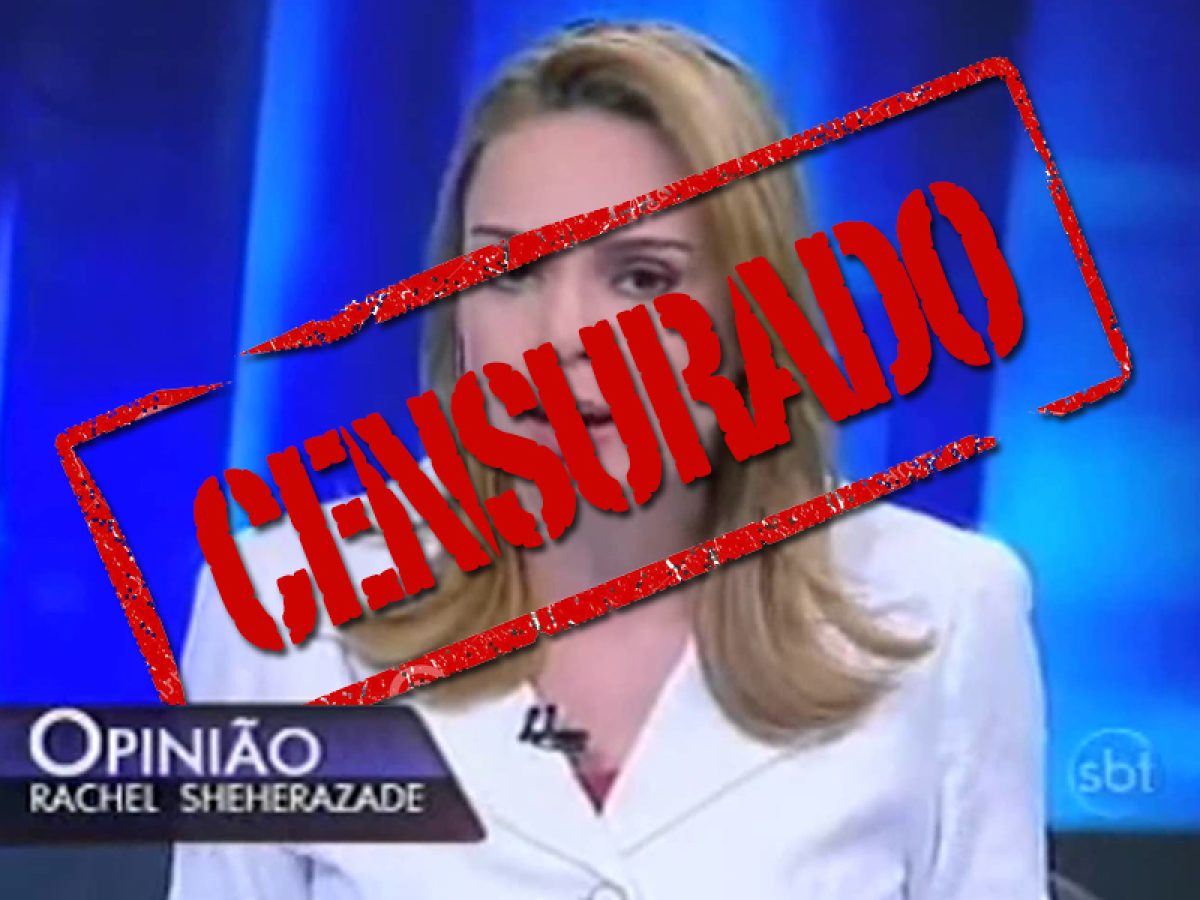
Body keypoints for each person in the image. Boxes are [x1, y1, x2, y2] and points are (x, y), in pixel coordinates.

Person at [171, 21, 1047, 899]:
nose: (561, 337)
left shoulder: (941, 612)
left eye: (642, 280)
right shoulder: (282, 611)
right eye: (511, 272)